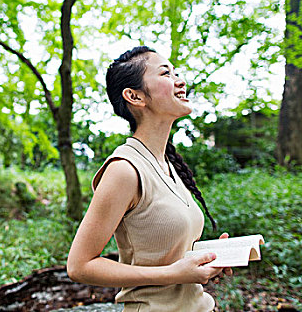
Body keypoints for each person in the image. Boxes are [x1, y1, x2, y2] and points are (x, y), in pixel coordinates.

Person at [66, 46, 232, 312]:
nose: (180, 81)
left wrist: (209, 258)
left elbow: (165, 248)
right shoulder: (124, 169)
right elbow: (79, 266)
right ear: (135, 96)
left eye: (176, 72)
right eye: (166, 74)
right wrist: (174, 274)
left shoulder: (169, 164)